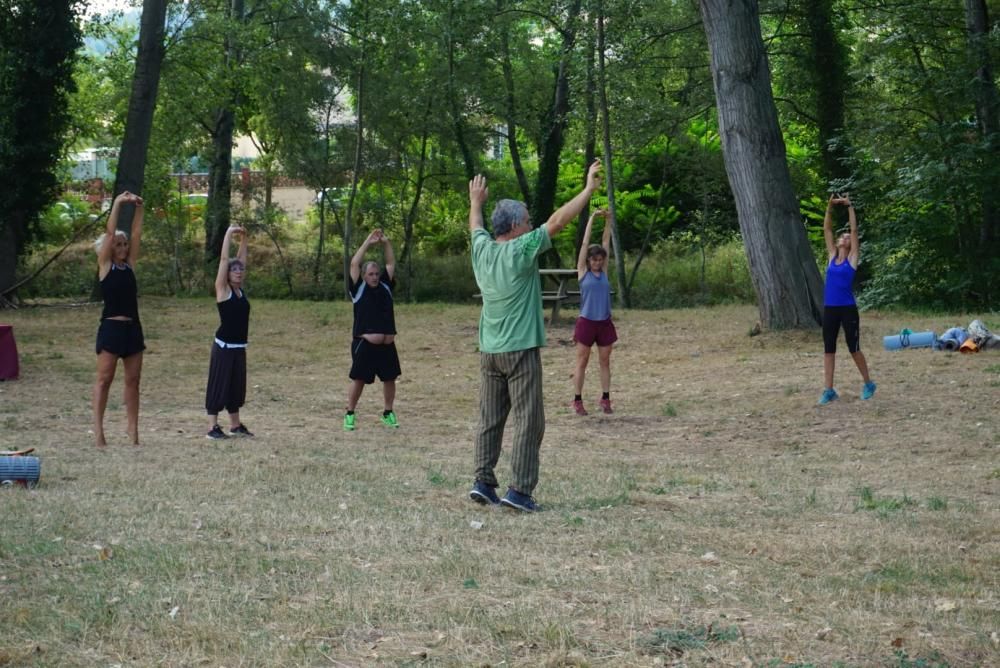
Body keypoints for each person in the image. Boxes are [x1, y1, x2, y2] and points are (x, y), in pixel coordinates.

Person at [467, 159, 603, 512]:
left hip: (489, 351)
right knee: (529, 421)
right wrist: (588, 190)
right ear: (514, 227)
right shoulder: (520, 249)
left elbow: (476, 226)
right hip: (520, 351)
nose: (531, 226)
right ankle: (520, 492)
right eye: (527, 221)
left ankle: (483, 481)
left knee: (489, 418)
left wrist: (475, 203)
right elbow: (557, 222)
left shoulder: (481, 250)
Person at [92, 191, 145, 447]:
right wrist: (117, 203)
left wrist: (139, 209)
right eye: (118, 245)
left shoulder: (130, 265)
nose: (122, 248)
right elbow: (111, 232)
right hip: (111, 328)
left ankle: (133, 430)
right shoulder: (105, 266)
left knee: (133, 381)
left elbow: (135, 234)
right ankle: (99, 431)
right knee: (104, 380)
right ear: (109, 247)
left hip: (132, 329)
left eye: (124, 245)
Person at [818, 193, 876, 405]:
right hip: (830, 308)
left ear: (851, 244)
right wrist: (829, 207)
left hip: (847, 309)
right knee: (828, 349)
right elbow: (827, 229)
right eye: (842, 237)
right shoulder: (832, 256)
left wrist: (850, 205)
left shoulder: (852, 259)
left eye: (846, 238)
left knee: (854, 348)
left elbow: (854, 230)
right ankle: (828, 389)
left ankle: (869, 383)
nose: (843, 238)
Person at [343, 229, 401, 431]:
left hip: (387, 345)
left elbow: (391, 263)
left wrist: (385, 243)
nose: (375, 277)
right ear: (364, 276)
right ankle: (350, 413)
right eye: (371, 274)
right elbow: (354, 264)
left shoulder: (385, 286)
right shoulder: (358, 289)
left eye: (376, 274)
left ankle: (388, 412)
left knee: (390, 378)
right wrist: (368, 240)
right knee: (358, 379)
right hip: (365, 344)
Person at [205, 225, 253, 439]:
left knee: (236, 387)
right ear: (227, 274)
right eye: (235, 270)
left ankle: (235, 426)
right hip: (223, 346)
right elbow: (225, 260)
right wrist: (228, 234)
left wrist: (244, 239)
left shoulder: (240, 291)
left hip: (238, 346)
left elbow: (240, 259)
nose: (239, 272)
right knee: (218, 385)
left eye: (240, 270)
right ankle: (212, 427)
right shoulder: (223, 290)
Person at [572, 208, 617, 415]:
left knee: (605, 359)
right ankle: (577, 400)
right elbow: (584, 244)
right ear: (588, 261)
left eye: (600, 259)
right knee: (583, 360)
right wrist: (591, 218)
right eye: (594, 260)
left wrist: (608, 220)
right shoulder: (583, 273)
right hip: (587, 322)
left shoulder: (605, 271)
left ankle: (605, 398)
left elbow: (606, 241)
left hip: (604, 322)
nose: (597, 262)